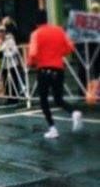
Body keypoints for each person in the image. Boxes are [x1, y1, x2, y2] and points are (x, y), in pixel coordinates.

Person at [27, 10, 83, 139]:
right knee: (58, 98)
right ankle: (73, 112)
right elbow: (70, 47)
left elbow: (33, 53)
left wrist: (30, 63)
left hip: (44, 69)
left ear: (36, 23)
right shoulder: (59, 30)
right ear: (47, 19)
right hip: (58, 68)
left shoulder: (36, 34)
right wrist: (58, 54)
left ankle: (53, 128)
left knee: (44, 100)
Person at [0, 24, 23, 104]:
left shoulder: (10, 40)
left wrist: (8, 54)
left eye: (2, 31)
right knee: (6, 82)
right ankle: (9, 98)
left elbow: (15, 51)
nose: (1, 33)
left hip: (12, 64)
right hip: (4, 65)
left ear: (5, 32)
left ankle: (15, 97)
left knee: (13, 81)